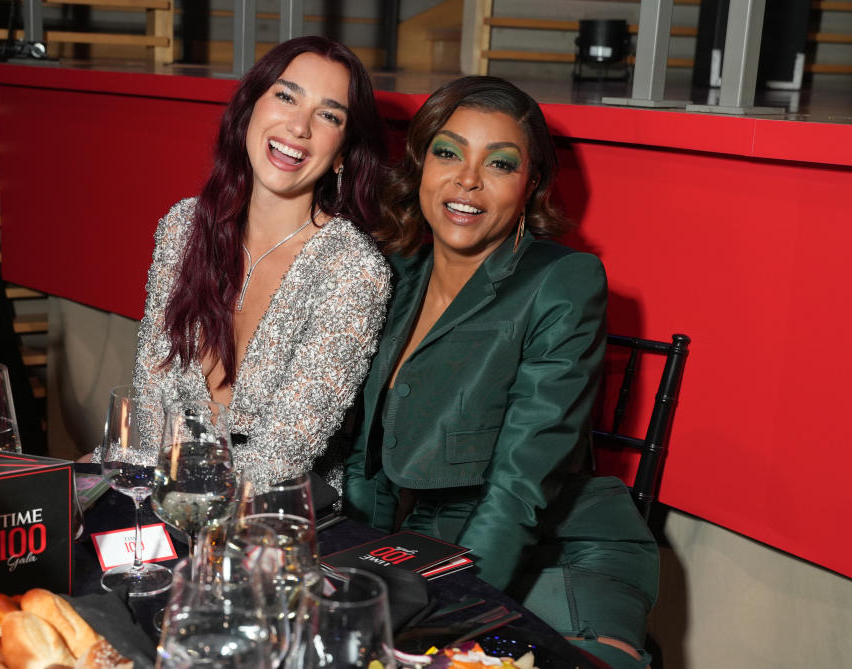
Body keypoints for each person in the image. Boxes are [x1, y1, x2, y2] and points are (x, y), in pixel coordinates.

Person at [344, 76, 657, 669]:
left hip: (559, 549)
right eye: (448, 151)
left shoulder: (562, 283)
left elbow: (520, 487)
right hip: (430, 548)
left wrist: (444, 618)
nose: (467, 179)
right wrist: (368, 573)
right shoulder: (395, 269)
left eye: (501, 163)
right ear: (421, 165)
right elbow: (370, 458)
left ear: (530, 184)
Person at [94, 37, 391, 493]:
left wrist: (184, 500)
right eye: (286, 96)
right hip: (169, 489)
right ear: (251, 107)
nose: (299, 126)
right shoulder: (184, 227)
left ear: (344, 153)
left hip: (269, 514)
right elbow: (150, 398)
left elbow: (282, 452)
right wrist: (115, 485)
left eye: (328, 115)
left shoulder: (352, 268)